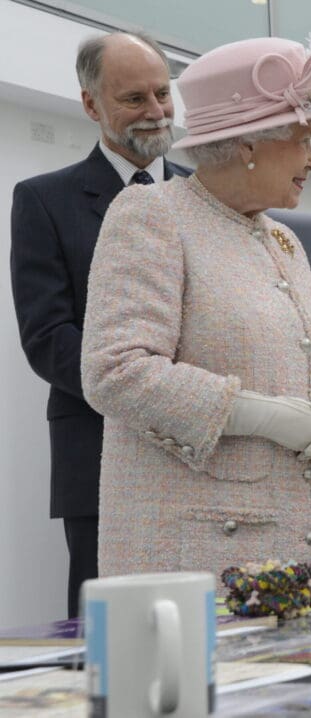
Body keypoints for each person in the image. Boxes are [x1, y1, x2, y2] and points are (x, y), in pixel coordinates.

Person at [80, 37, 311, 581]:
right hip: (201, 565)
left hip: (302, 552)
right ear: (248, 145)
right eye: (303, 139)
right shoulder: (153, 213)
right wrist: (258, 414)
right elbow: (114, 371)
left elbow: (309, 359)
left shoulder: (280, 236)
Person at [9, 32, 189, 617]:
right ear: (91, 105)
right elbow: (46, 338)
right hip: (100, 454)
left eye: (163, 93)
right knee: (112, 639)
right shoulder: (43, 201)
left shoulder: (206, 195)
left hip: (210, 453)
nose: (157, 112)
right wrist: (147, 391)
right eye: (134, 99)